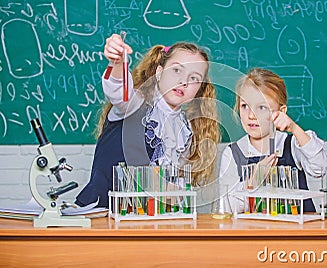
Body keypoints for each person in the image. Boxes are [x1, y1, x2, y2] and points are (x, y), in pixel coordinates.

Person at [75, 35, 219, 208]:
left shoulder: (185, 130)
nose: (184, 82)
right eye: (176, 70)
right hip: (101, 213)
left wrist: (175, 193)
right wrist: (118, 63)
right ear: (159, 73)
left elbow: (176, 187)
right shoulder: (135, 104)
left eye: (194, 78)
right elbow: (119, 91)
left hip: (145, 221)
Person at [219, 68, 327, 213]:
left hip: (297, 232)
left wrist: (295, 128)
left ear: (281, 112)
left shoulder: (292, 145)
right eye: (245, 106)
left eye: (262, 107)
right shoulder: (233, 153)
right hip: (256, 232)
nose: (251, 115)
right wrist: (253, 181)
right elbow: (226, 208)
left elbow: (320, 168)